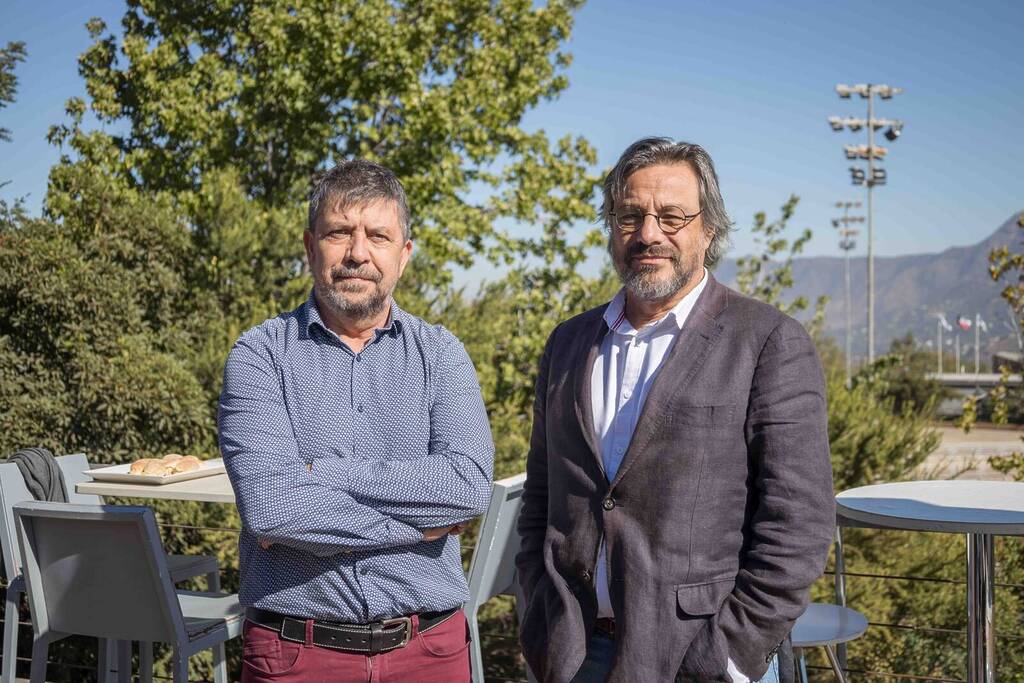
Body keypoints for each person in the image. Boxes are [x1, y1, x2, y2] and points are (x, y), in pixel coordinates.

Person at [516, 137, 834, 683]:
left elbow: (798, 524)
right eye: (630, 216)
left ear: (708, 229)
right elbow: (542, 495)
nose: (648, 234)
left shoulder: (767, 342)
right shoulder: (568, 344)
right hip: (574, 653)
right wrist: (537, 616)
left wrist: (729, 656)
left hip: (698, 656)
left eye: (671, 217)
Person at [219, 159, 494, 683]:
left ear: (404, 255)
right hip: (296, 655)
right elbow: (272, 509)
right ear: (310, 247)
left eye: (378, 236)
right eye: (339, 233)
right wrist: (421, 524)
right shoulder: (259, 355)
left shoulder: (442, 353)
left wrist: (320, 475)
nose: (357, 253)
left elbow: (467, 486)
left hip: (429, 653)